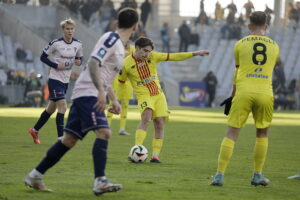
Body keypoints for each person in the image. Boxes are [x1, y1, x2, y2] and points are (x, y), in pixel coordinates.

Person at [24, 8, 139, 195]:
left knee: (69, 140)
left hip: (87, 92)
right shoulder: (111, 40)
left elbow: (104, 74)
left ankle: (35, 175)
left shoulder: (119, 46)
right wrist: (101, 92)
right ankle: (100, 181)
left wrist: (114, 99)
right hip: (88, 93)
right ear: (135, 27)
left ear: (118, 22)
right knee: (104, 133)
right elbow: (93, 63)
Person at [210, 11, 280, 186]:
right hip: (265, 92)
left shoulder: (240, 44)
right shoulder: (275, 46)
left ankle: (219, 175)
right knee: (262, 133)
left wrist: (232, 97)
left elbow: (238, 71)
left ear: (249, 26)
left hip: (243, 92)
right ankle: (257, 175)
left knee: (232, 132)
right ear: (266, 26)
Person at [119, 36, 209, 163]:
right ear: (137, 48)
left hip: (158, 94)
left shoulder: (153, 57)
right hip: (143, 95)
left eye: (149, 51)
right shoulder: (126, 63)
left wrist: (194, 54)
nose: (147, 54)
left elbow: (174, 57)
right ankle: (136, 149)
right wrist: (118, 100)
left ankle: (155, 156)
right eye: (145, 51)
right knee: (146, 117)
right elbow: (121, 82)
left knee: (159, 123)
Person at [27, 18, 83, 144]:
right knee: (63, 106)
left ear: (74, 30)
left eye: (71, 29)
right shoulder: (55, 43)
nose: (69, 31)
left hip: (65, 81)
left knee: (51, 109)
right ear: (63, 30)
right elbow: (43, 57)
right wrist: (56, 65)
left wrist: (79, 61)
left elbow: (80, 58)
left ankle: (34, 130)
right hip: (54, 79)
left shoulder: (78, 44)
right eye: (67, 29)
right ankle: (60, 139)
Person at [107, 43, 135, 136]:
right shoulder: (116, 48)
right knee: (113, 102)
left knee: (125, 104)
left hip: (128, 79)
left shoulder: (133, 49)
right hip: (117, 78)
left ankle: (122, 129)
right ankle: (107, 126)